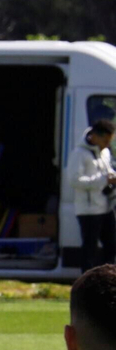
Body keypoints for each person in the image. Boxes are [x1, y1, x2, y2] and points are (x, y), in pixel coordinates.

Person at [71, 117, 116, 273]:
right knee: (89, 250)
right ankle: (87, 286)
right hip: (88, 210)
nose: (107, 145)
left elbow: (106, 171)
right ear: (95, 136)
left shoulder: (104, 152)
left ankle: (111, 281)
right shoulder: (79, 153)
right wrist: (102, 180)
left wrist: (111, 177)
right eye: (105, 140)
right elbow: (74, 181)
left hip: (106, 207)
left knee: (111, 246)